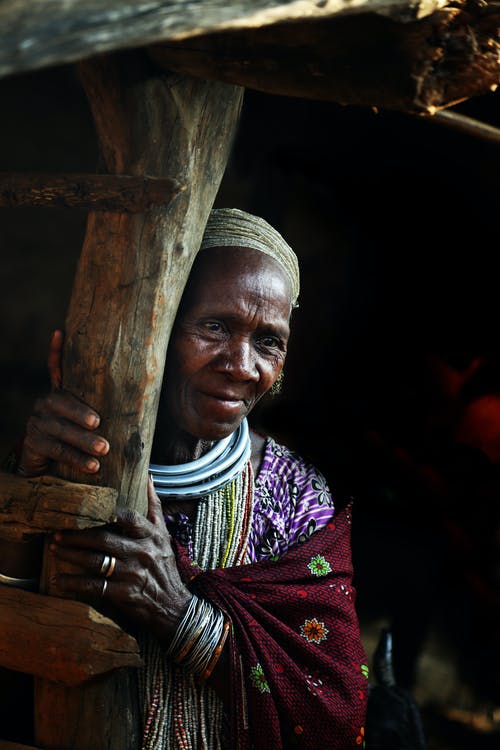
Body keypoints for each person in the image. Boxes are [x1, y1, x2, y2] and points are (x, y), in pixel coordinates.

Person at [1, 208, 368, 749]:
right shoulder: (59, 457)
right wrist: (23, 504)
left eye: (269, 341)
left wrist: (176, 612)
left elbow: (331, 710)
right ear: (161, 325)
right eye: (215, 326)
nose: (242, 366)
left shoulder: (295, 496)